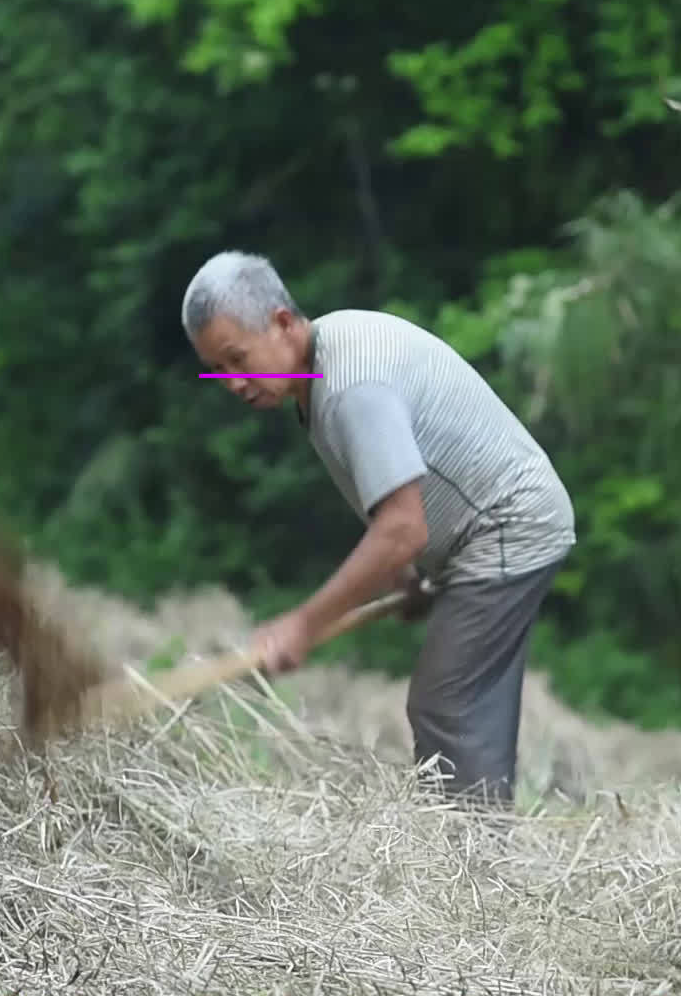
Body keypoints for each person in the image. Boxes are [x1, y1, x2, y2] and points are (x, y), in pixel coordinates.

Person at [179, 250, 577, 810]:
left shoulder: (349, 385)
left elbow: (402, 528)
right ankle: (474, 846)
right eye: (218, 370)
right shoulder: (322, 365)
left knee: (448, 704)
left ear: (282, 322)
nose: (234, 383)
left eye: (238, 359)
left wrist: (303, 624)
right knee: (456, 704)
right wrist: (409, 575)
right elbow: (399, 501)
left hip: (510, 525)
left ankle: (476, 855)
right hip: (485, 530)